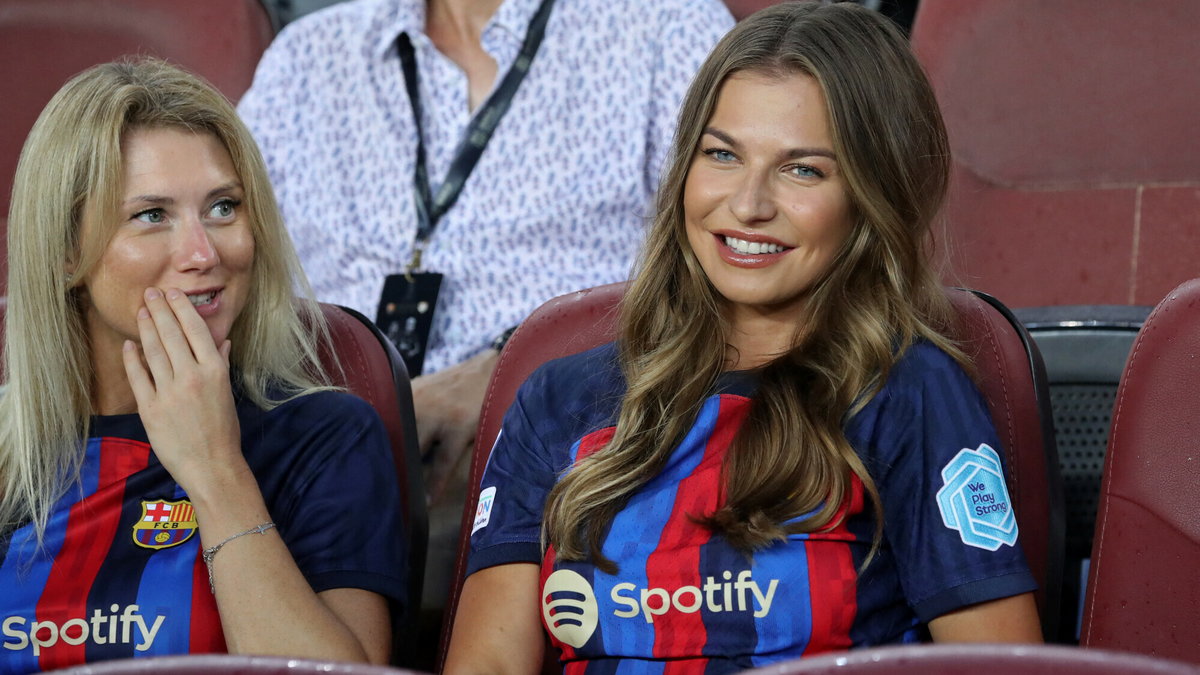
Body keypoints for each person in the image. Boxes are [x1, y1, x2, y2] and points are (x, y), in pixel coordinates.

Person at [446, 3, 1043, 672]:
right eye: (723, 155)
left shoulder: (909, 393)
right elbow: (488, 664)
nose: (749, 203)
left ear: (873, 194)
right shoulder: (556, 401)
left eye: (803, 170)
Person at [236, 0, 735, 503]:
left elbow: (724, 275)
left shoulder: (666, 24)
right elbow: (219, 265)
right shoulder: (305, 57)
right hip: (319, 442)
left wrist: (511, 376)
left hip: (559, 440)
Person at [0, 59, 406, 672]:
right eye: (151, 215)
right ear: (64, 250)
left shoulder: (325, 437)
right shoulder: (11, 453)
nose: (202, 252)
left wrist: (215, 472)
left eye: (222, 208)